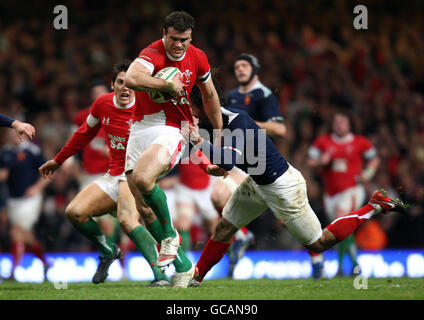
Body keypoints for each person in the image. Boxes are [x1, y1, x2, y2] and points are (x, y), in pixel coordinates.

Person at [185, 83, 406, 286]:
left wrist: (198, 141)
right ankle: (196, 279)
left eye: (193, 106)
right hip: (257, 182)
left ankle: (375, 205)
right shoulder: (210, 125)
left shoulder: (236, 121)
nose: (191, 111)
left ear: (206, 104)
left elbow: (227, 160)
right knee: (224, 227)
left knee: (318, 243)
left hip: (283, 185)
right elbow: (222, 161)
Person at [39, 61, 171, 286]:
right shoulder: (102, 104)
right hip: (113, 174)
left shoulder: (148, 108)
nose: (126, 88)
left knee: (127, 220)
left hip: (133, 175)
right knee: (74, 212)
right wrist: (58, 160)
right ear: (113, 85)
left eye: (130, 83)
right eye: (121, 82)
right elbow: (83, 133)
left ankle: (161, 276)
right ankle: (109, 251)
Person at [123, 11, 223, 288]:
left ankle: (170, 235)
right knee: (144, 208)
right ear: (164, 33)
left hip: (172, 127)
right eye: (175, 39)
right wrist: (167, 84)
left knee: (144, 178)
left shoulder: (198, 56)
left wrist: (219, 132)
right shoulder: (152, 53)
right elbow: (132, 78)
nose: (180, 45)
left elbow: (210, 95)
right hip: (139, 128)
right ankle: (183, 267)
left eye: (185, 40)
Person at [211, 53, 288, 276]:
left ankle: (317, 258)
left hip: (262, 161)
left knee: (286, 219)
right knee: (217, 196)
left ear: (254, 68)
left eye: (244, 65)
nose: (240, 70)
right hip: (239, 161)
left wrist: (246, 124)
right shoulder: (232, 95)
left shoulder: (264, 95)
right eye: (236, 66)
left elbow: (280, 130)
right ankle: (242, 234)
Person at [307, 111, 380, 277]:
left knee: (341, 219)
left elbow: (375, 159)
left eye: (343, 122)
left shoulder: (360, 142)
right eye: (337, 122)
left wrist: (368, 174)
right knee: (340, 230)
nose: (339, 125)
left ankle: (340, 268)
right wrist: (320, 162)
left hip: (352, 189)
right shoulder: (323, 142)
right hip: (330, 193)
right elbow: (310, 160)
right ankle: (355, 265)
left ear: (349, 124)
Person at [0, 129, 50, 280]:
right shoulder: (5, 152)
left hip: (30, 199)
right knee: (25, 235)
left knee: (16, 231)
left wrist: (37, 188)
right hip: (13, 199)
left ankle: (14, 271)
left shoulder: (33, 151)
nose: (12, 137)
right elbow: (3, 174)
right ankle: (46, 263)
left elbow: (48, 172)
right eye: (9, 134)